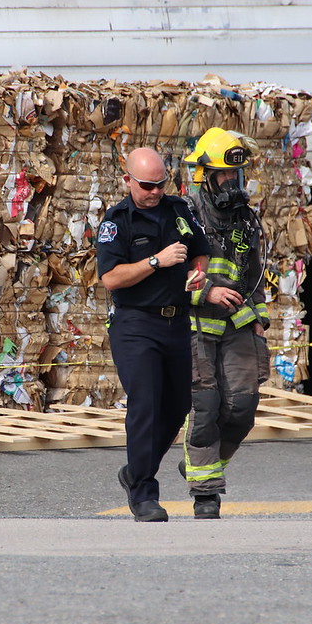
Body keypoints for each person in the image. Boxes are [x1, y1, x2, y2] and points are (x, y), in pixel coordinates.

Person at [96, 147, 211, 522]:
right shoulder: (117, 221)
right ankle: (144, 492)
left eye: (160, 184)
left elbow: (199, 250)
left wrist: (198, 271)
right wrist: (154, 261)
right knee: (145, 402)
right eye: (147, 185)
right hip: (136, 324)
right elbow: (111, 278)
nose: (155, 191)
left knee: (177, 406)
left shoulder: (178, 209)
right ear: (127, 179)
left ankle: (133, 471)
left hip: (176, 322)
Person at [179, 128, 271, 519]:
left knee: (242, 409)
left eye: (236, 176)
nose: (232, 184)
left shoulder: (246, 220)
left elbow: (255, 276)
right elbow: (167, 278)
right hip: (195, 324)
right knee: (205, 406)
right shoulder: (181, 216)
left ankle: (203, 465)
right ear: (203, 175)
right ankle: (206, 493)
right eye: (223, 176)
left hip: (236, 325)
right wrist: (206, 293)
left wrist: (260, 320)